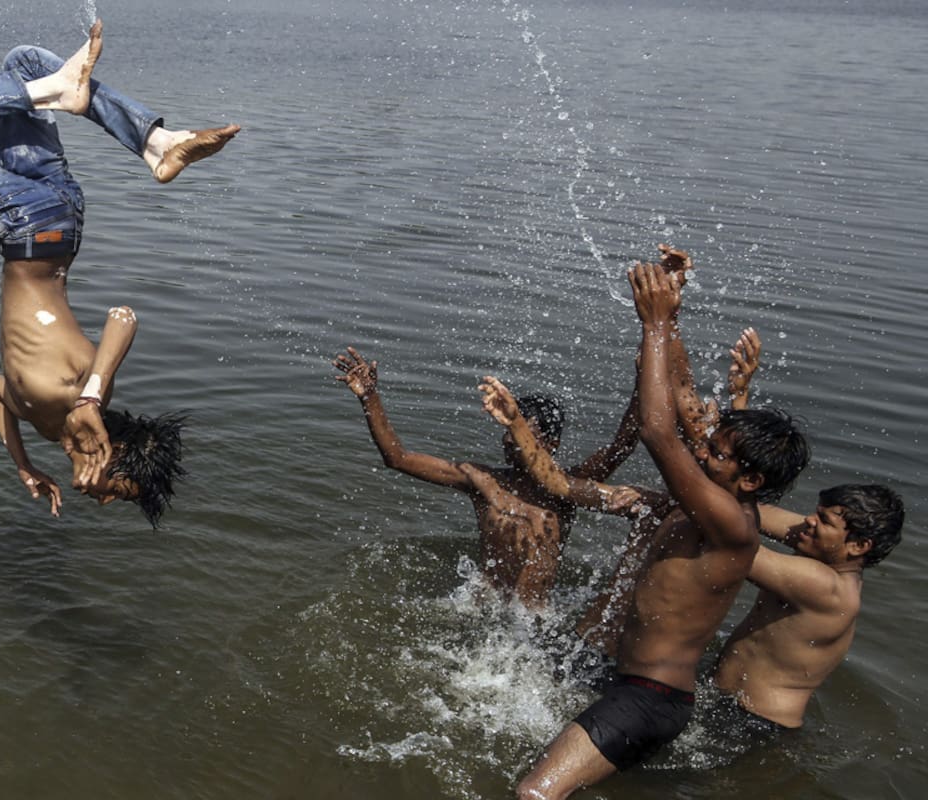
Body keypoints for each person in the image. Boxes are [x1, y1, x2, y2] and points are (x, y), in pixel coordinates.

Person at [0, 22, 238, 523]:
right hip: (27, 222)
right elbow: (123, 317)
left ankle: (156, 142)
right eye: (121, 491)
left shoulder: (48, 426)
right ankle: (74, 100)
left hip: (56, 216)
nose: (106, 499)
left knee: (24, 61)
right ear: (112, 454)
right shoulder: (78, 394)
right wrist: (91, 396)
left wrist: (22, 464)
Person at [490, 261, 809, 799]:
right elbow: (683, 402)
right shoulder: (708, 505)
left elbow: (658, 429)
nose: (702, 448)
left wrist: (654, 324)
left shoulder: (730, 522)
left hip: (648, 697)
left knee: (534, 794)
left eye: (717, 452)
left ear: (751, 479)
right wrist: (674, 306)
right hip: (632, 685)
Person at [331, 346, 641, 607]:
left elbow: (623, 445)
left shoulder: (569, 489)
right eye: (507, 433)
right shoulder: (482, 480)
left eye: (519, 436)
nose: (508, 441)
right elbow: (398, 458)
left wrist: (645, 379)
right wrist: (369, 397)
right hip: (481, 613)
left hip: (534, 619)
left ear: (549, 443)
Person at [713, 486, 904, 734]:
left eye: (823, 520)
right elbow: (739, 512)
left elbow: (729, 545)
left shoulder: (828, 588)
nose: (808, 521)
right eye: (816, 513)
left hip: (754, 722)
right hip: (734, 706)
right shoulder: (822, 545)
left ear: (859, 546)